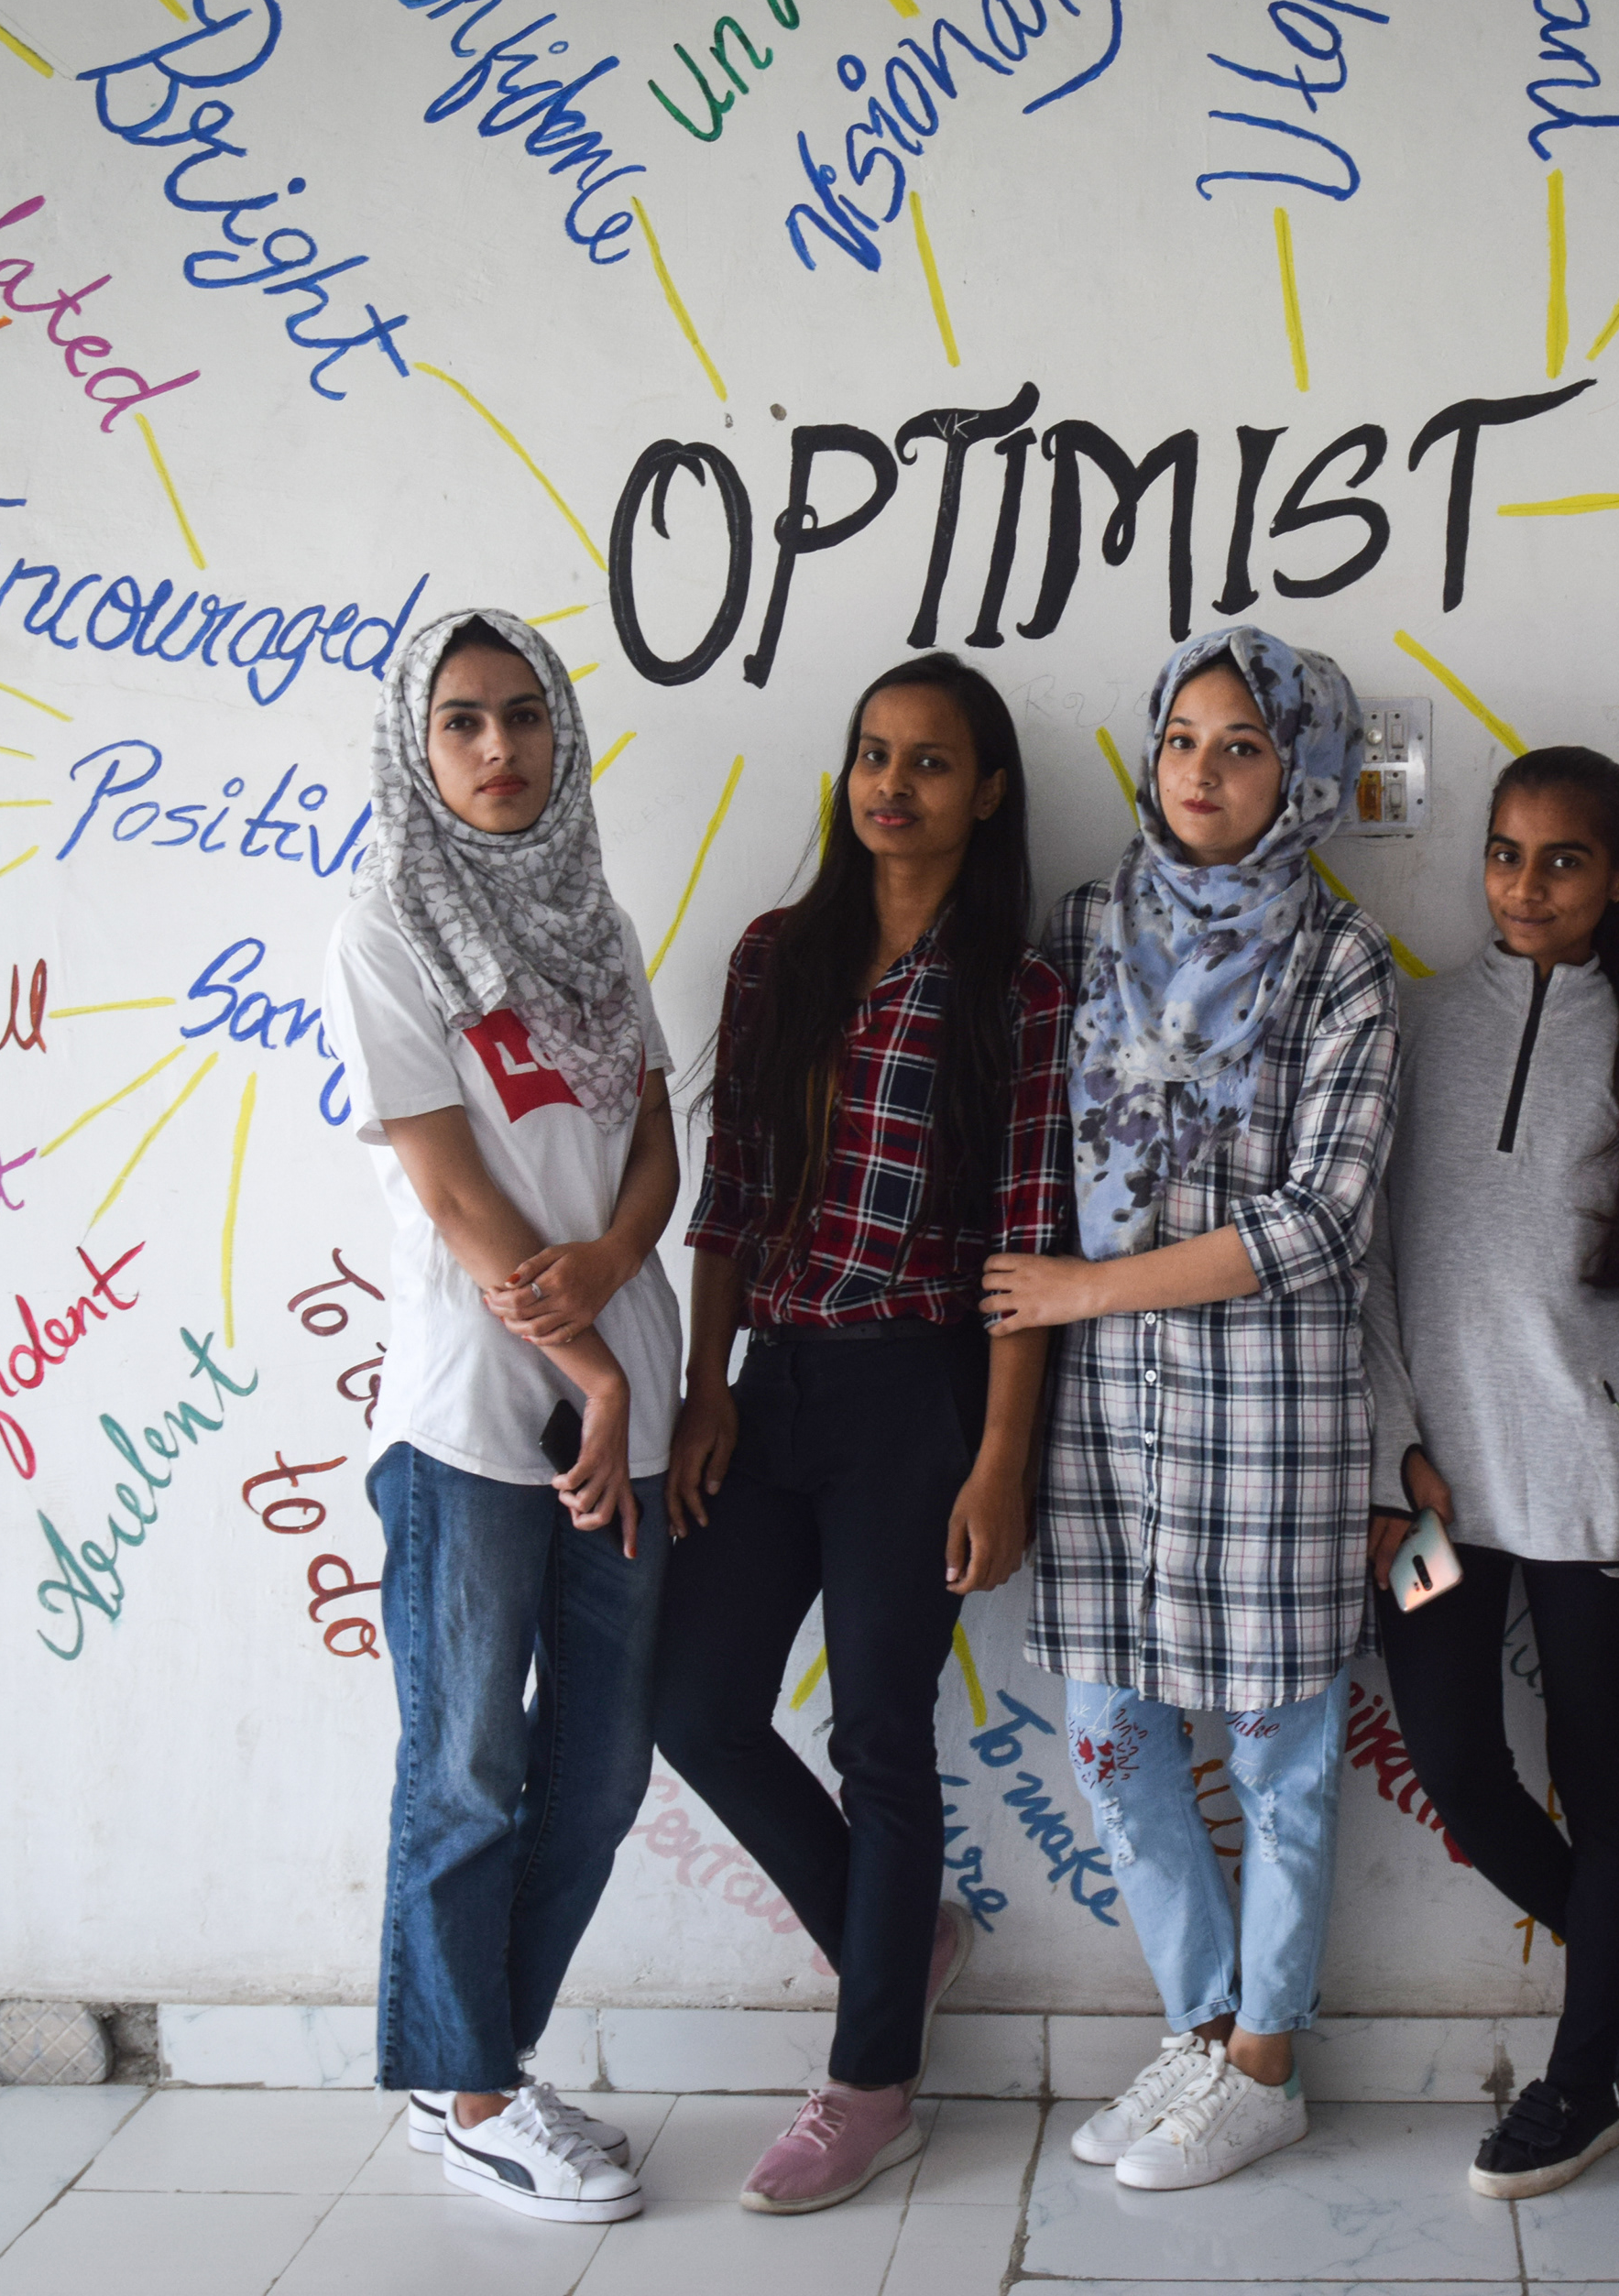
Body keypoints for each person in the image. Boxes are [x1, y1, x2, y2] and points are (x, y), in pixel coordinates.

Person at [979, 626, 1398, 2194]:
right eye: (1181, 741)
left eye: (1243, 745)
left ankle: (1268, 2064)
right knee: (1110, 1734)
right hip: (1101, 1425)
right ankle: (1200, 2026)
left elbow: (1324, 1225)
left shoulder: (1341, 959)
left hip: (1272, 1421)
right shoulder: (1085, 931)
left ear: (1302, 770)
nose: (1204, 773)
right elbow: (1029, 1158)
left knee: (1282, 1754)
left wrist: (1087, 1290)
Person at [654, 654, 1071, 2214]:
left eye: (931, 762)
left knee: (882, 1736)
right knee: (692, 1703)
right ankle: (897, 1939)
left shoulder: (1021, 995)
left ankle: (870, 2079)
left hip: (920, 1392)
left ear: (990, 792)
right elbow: (730, 1196)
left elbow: (1028, 1246)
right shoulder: (780, 955)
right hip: (774, 1384)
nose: (892, 785)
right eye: (873, 755)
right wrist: (707, 1385)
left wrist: (1000, 1460)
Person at [323, 608, 684, 2225]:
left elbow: (656, 1140)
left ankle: (471, 2064)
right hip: (475, 1411)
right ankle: (472, 2091)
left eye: (524, 715)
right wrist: (588, 1364)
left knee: (596, 1775)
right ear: (417, 746)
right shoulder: (386, 928)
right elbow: (456, 1193)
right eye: (461, 720)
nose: (497, 748)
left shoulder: (594, 917)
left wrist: (613, 1283)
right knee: (469, 1764)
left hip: (628, 1398)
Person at [1361, 745, 1619, 2199]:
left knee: (1600, 1783)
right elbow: (1368, 1256)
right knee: (1456, 1766)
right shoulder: (1416, 1021)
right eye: (1505, 852)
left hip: (1588, 1489)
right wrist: (1394, 1448)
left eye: (1563, 859)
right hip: (1430, 1490)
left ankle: (1579, 2084)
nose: (1525, 884)